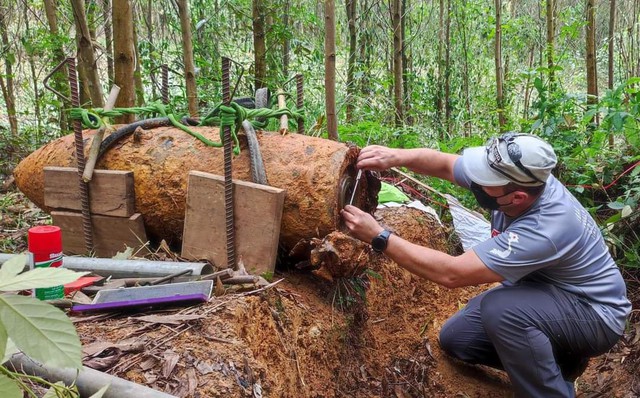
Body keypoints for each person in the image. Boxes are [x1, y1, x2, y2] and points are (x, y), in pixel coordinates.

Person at [340, 133, 630, 398]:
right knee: (458, 339)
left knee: (503, 310)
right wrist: (396, 156)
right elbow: (445, 165)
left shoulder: (546, 228)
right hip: (549, 293)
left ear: (517, 197)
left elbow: (451, 273)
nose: (475, 183)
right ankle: (560, 360)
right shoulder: (516, 179)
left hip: (595, 314)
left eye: (483, 183)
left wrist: (380, 236)